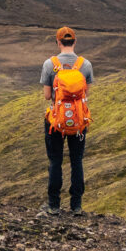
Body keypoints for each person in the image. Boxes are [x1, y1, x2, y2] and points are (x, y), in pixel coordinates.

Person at [40, 26, 93, 216]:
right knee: (76, 161)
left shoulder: (49, 64)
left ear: (58, 42)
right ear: (75, 42)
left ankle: (54, 205)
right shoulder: (85, 65)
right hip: (79, 121)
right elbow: (85, 94)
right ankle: (76, 206)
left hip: (56, 121)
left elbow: (47, 96)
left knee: (55, 161)